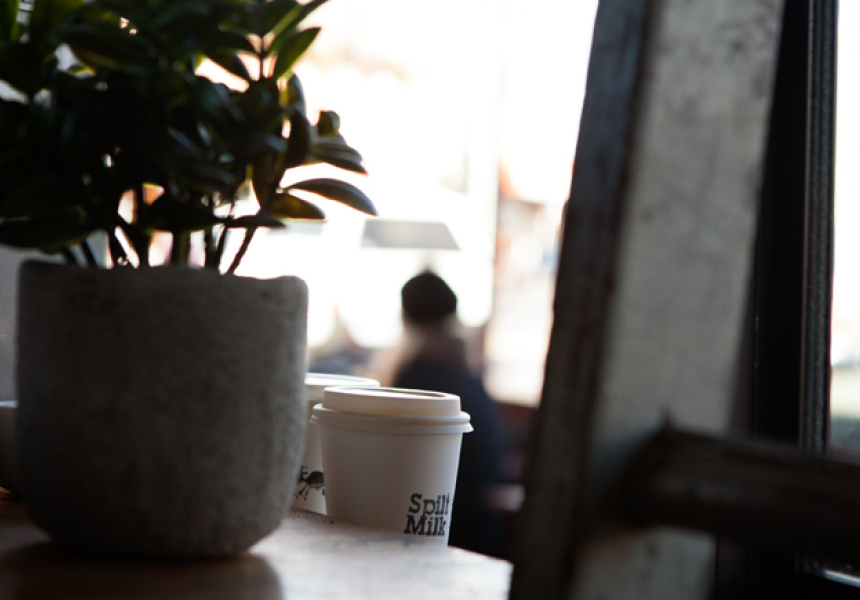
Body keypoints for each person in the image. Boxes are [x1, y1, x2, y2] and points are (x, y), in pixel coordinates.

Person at [392, 270, 510, 558]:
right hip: (485, 531)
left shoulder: (418, 376)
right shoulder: (465, 372)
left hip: (444, 535)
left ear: (405, 317)